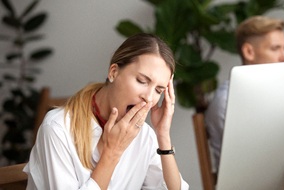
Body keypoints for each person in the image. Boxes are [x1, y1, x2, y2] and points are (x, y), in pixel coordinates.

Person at [23, 33, 189, 190]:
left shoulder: (145, 136)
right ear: (113, 72)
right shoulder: (57, 128)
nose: (149, 97)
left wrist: (163, 135)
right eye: (142, 81)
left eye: (159, 90)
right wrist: (112, 153)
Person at [205, 16, 284, 173]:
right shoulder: (227, 102)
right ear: (249, 52)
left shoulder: (279, 96)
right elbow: (252, 166)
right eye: (275, 48)